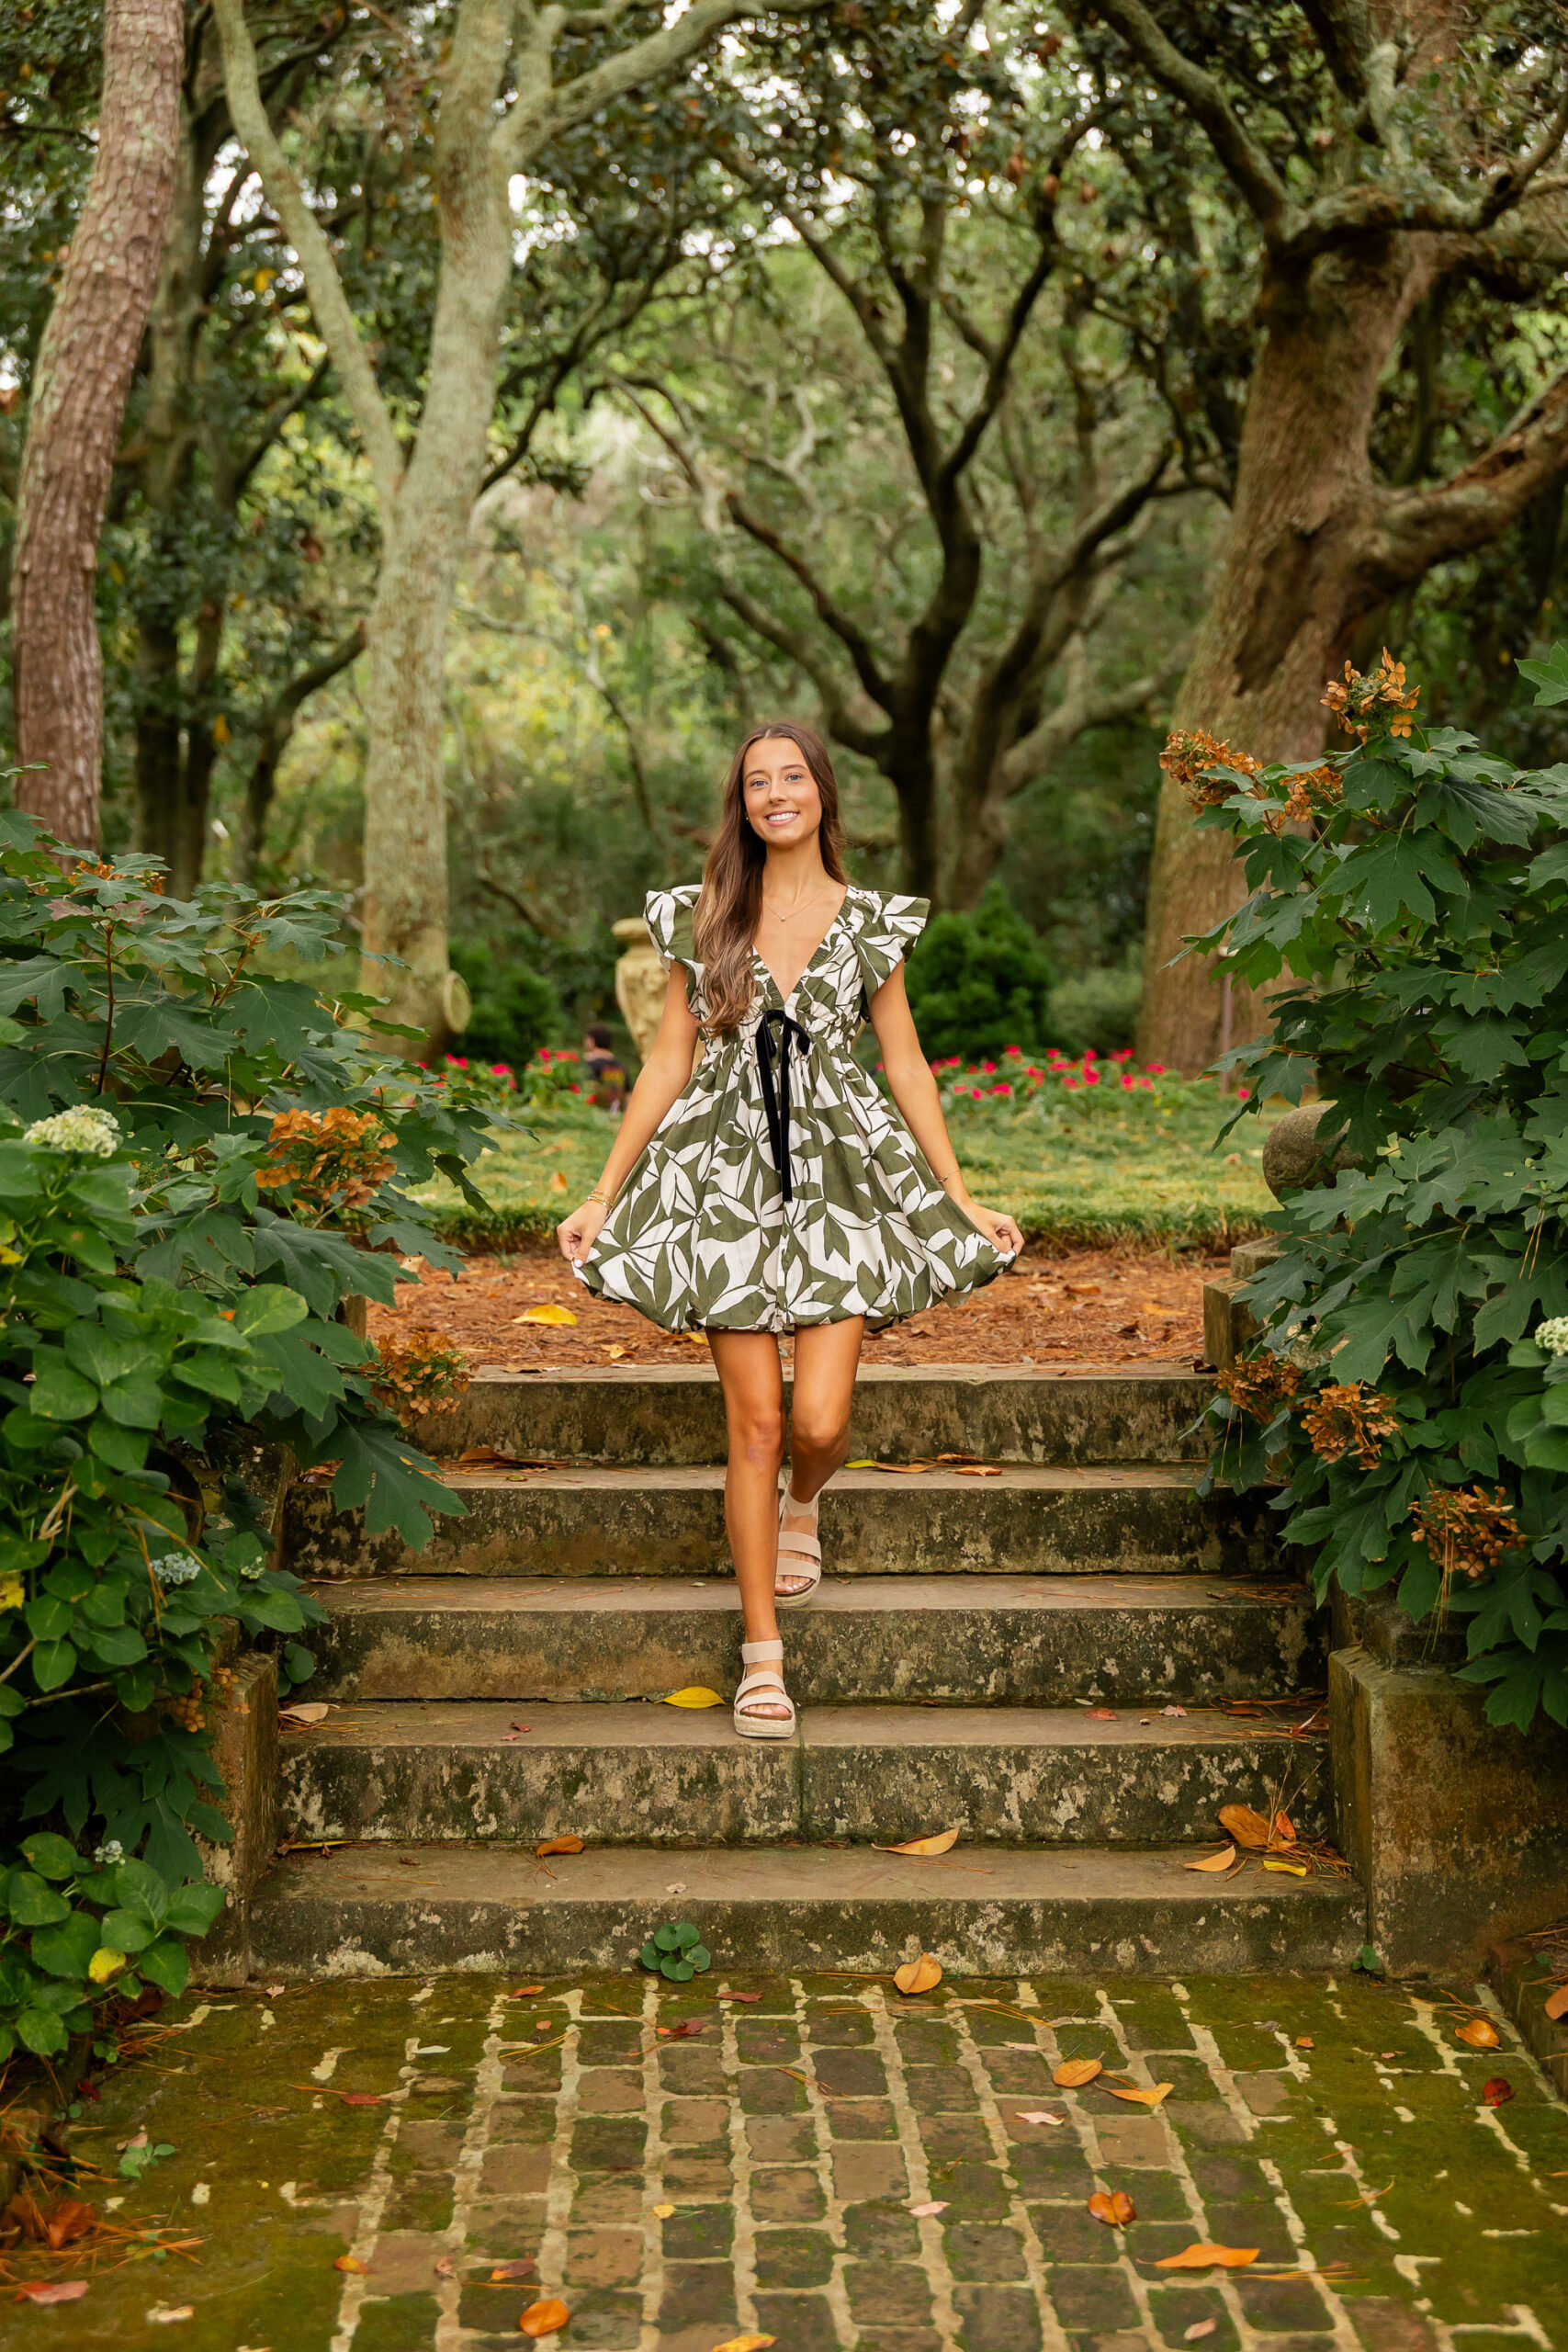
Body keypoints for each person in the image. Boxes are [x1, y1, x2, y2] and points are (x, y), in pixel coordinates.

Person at [558, 721, 1023, 1739]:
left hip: (844, 1179)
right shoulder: (703, 915)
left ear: (822, 793)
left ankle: (806, 1502)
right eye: (757, 780)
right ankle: (761, 1657)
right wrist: (603, 1192)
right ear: (744, 801)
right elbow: (667, 1062)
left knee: (816, 1423)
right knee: (755, 1424)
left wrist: (957, 1192)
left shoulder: (869, 922)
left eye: (793, 776)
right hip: (721, 1180)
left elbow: (905, 1063)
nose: (776, 792)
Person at [581, 1023, 627, 1113]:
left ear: (592, 1040)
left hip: (596, 1114)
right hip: (616, 1113)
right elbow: (628, 1093)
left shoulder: (591, 1064)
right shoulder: (619, 1065)